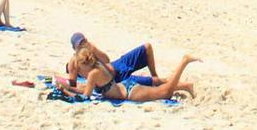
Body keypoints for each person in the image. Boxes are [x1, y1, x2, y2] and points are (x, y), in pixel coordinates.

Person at [62, 45, 199, 103]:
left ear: (84, 63)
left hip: (129, 92)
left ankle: (184, 61)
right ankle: (187, 86)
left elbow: (85, 97)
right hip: (126, 87)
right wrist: (66, 87)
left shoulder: (93, 74)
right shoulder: (97, 66)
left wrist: (67, 92)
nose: (79, 70)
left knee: (165, 92)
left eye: (79, 66)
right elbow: (85, 89)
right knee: (160, 89)